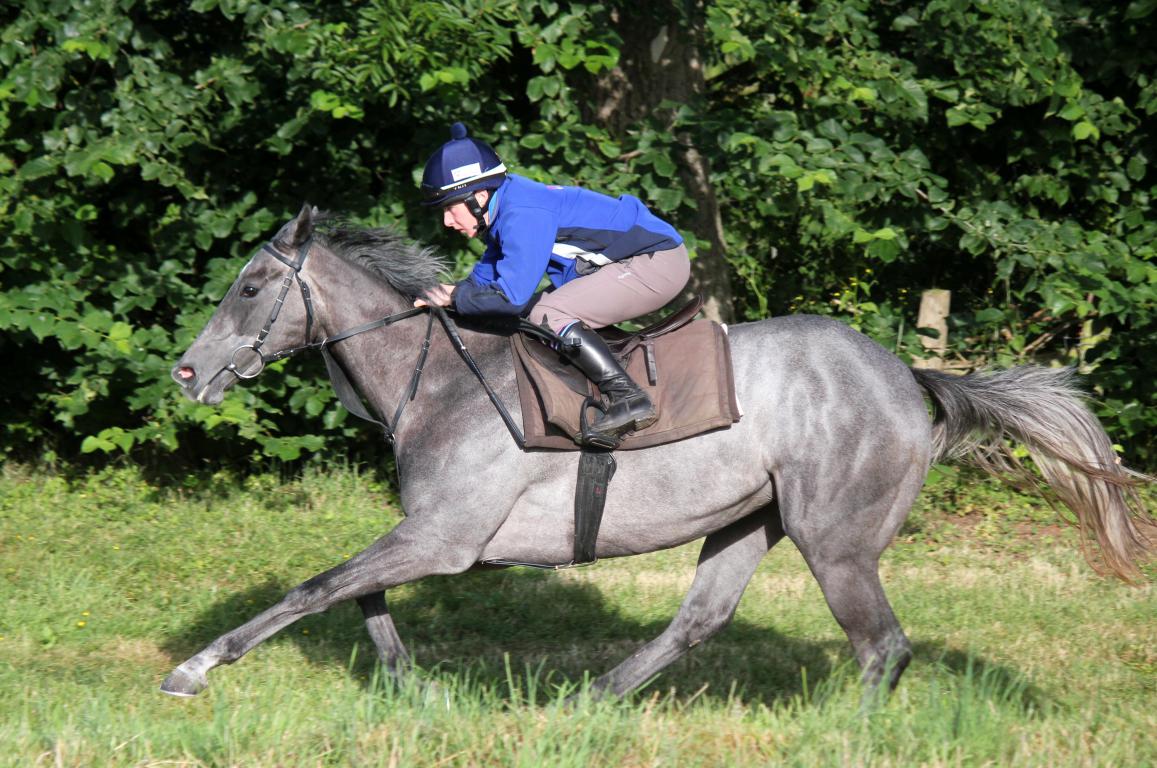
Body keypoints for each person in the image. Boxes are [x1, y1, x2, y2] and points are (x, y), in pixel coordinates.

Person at [415, 122, 691, 442]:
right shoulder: (506, 204)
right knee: (533, 314)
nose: (447, 221)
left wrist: (457, 298)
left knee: (548, 314)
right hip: (629, 261)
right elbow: (483, 279)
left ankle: (629, 399)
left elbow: (510, 299)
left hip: (656, 262)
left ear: (479, 196)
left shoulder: (523, 213)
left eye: (450, 208)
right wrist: (438, 294)